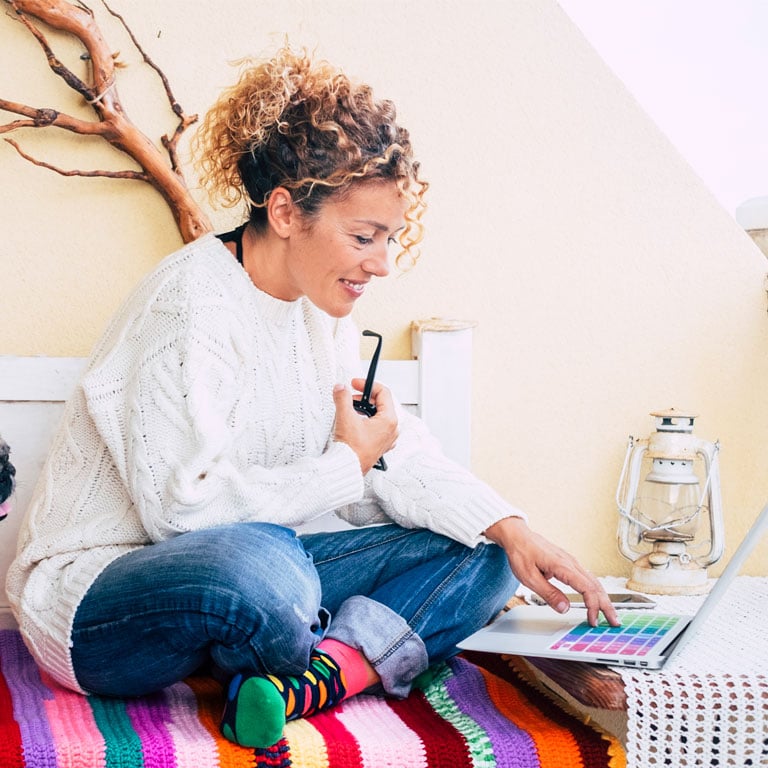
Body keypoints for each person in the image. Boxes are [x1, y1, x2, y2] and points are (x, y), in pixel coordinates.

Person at [6, 46, 618, 749]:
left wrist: (511, 527)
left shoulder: (321, 311)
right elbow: (181, 515)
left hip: (262, 567)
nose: (382, 263)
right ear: (288, 211)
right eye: (364, 237)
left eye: (389, 238)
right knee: (265, 572)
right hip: (99, 601)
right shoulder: (188, 309)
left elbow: (383, 455)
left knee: (480, 557)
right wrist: (345, 466)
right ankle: (336, 647)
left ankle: (312, 678)